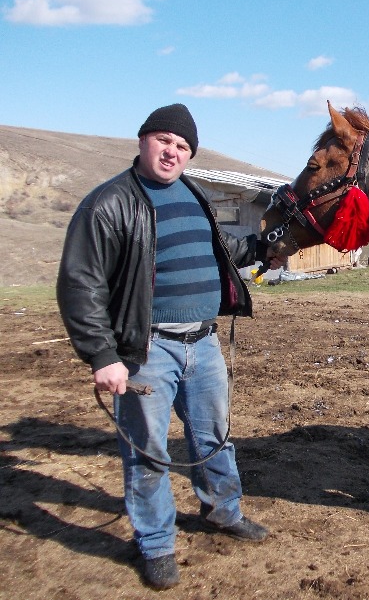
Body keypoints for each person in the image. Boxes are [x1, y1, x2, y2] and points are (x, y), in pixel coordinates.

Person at [57, 104, 282, 590]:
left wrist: (265, 248)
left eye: (182, 146)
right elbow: (80, 284)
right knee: (147, 452)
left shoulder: (194, 193)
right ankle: (156, 543)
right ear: (143, 141)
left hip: (203, 343)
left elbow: (222, 248)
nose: (172, 151)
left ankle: (223, 511)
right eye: (164, 140)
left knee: (215, 436)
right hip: (146, 349)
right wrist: (103, 355)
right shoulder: (109, 203)